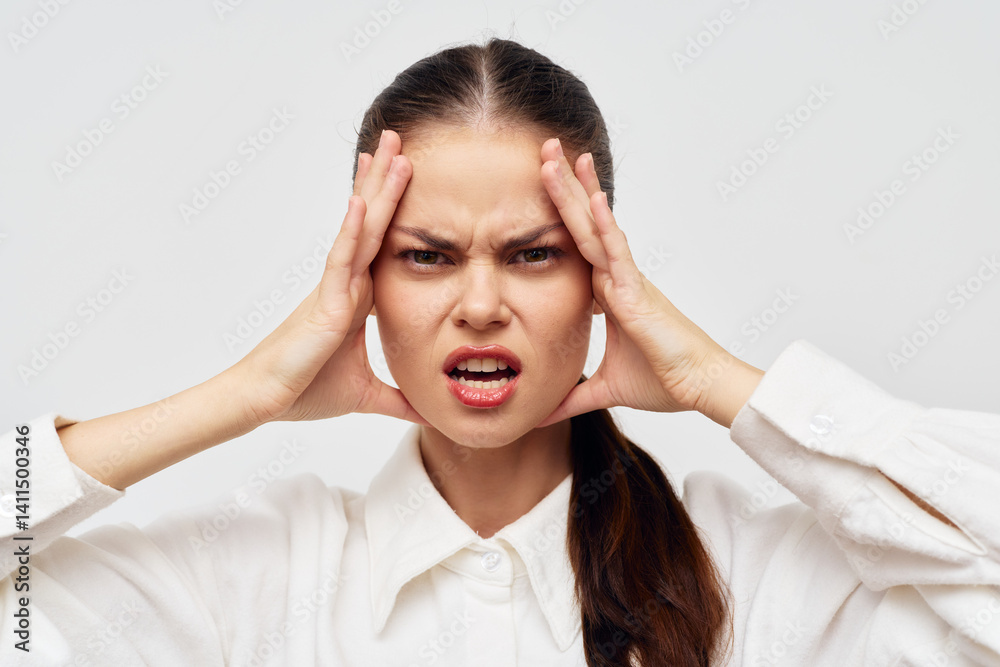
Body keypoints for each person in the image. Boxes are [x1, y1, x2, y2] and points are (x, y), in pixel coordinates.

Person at [2, 37, 998, 667]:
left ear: (604, 276)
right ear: (363, 285)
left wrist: (726, 389)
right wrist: (242, 394)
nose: (480, 305)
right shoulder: (250, 575)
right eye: (426, 257)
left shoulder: (753, 571)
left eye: (533, 254)